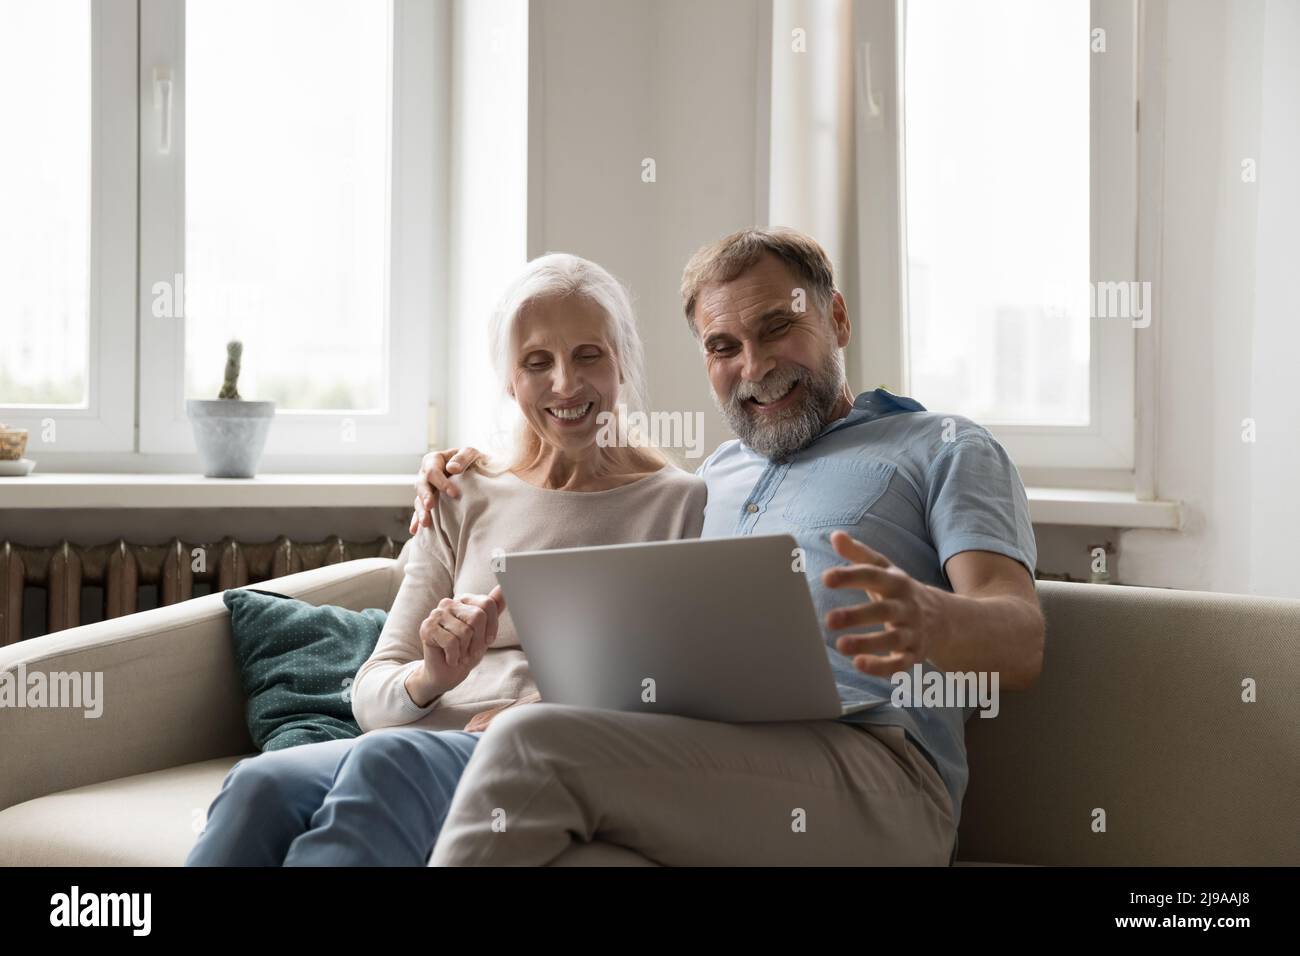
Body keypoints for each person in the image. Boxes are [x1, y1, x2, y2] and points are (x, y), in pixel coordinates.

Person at [412, 227, 1044, 866]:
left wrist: (932, 620)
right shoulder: (716, 476)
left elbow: (1021, 641)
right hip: (716, 761)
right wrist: (465, 469)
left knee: (530, 744)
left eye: (777, 329)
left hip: (877, 772)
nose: (755, 365)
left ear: (838, 318)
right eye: (724, 346)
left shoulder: (944, 447)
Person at [185, 253, 705, 866]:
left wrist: (553, 710)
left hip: (537, 755)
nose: (565, 383)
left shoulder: (681, 504)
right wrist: (433, 677)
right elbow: (372, 697)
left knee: (386, 759)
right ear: (509, 381)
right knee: (258, 783)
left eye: (588, 354)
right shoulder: (463, 492)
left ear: (623, 361)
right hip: (422, 740)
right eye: (537, 362)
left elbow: (682, 683)